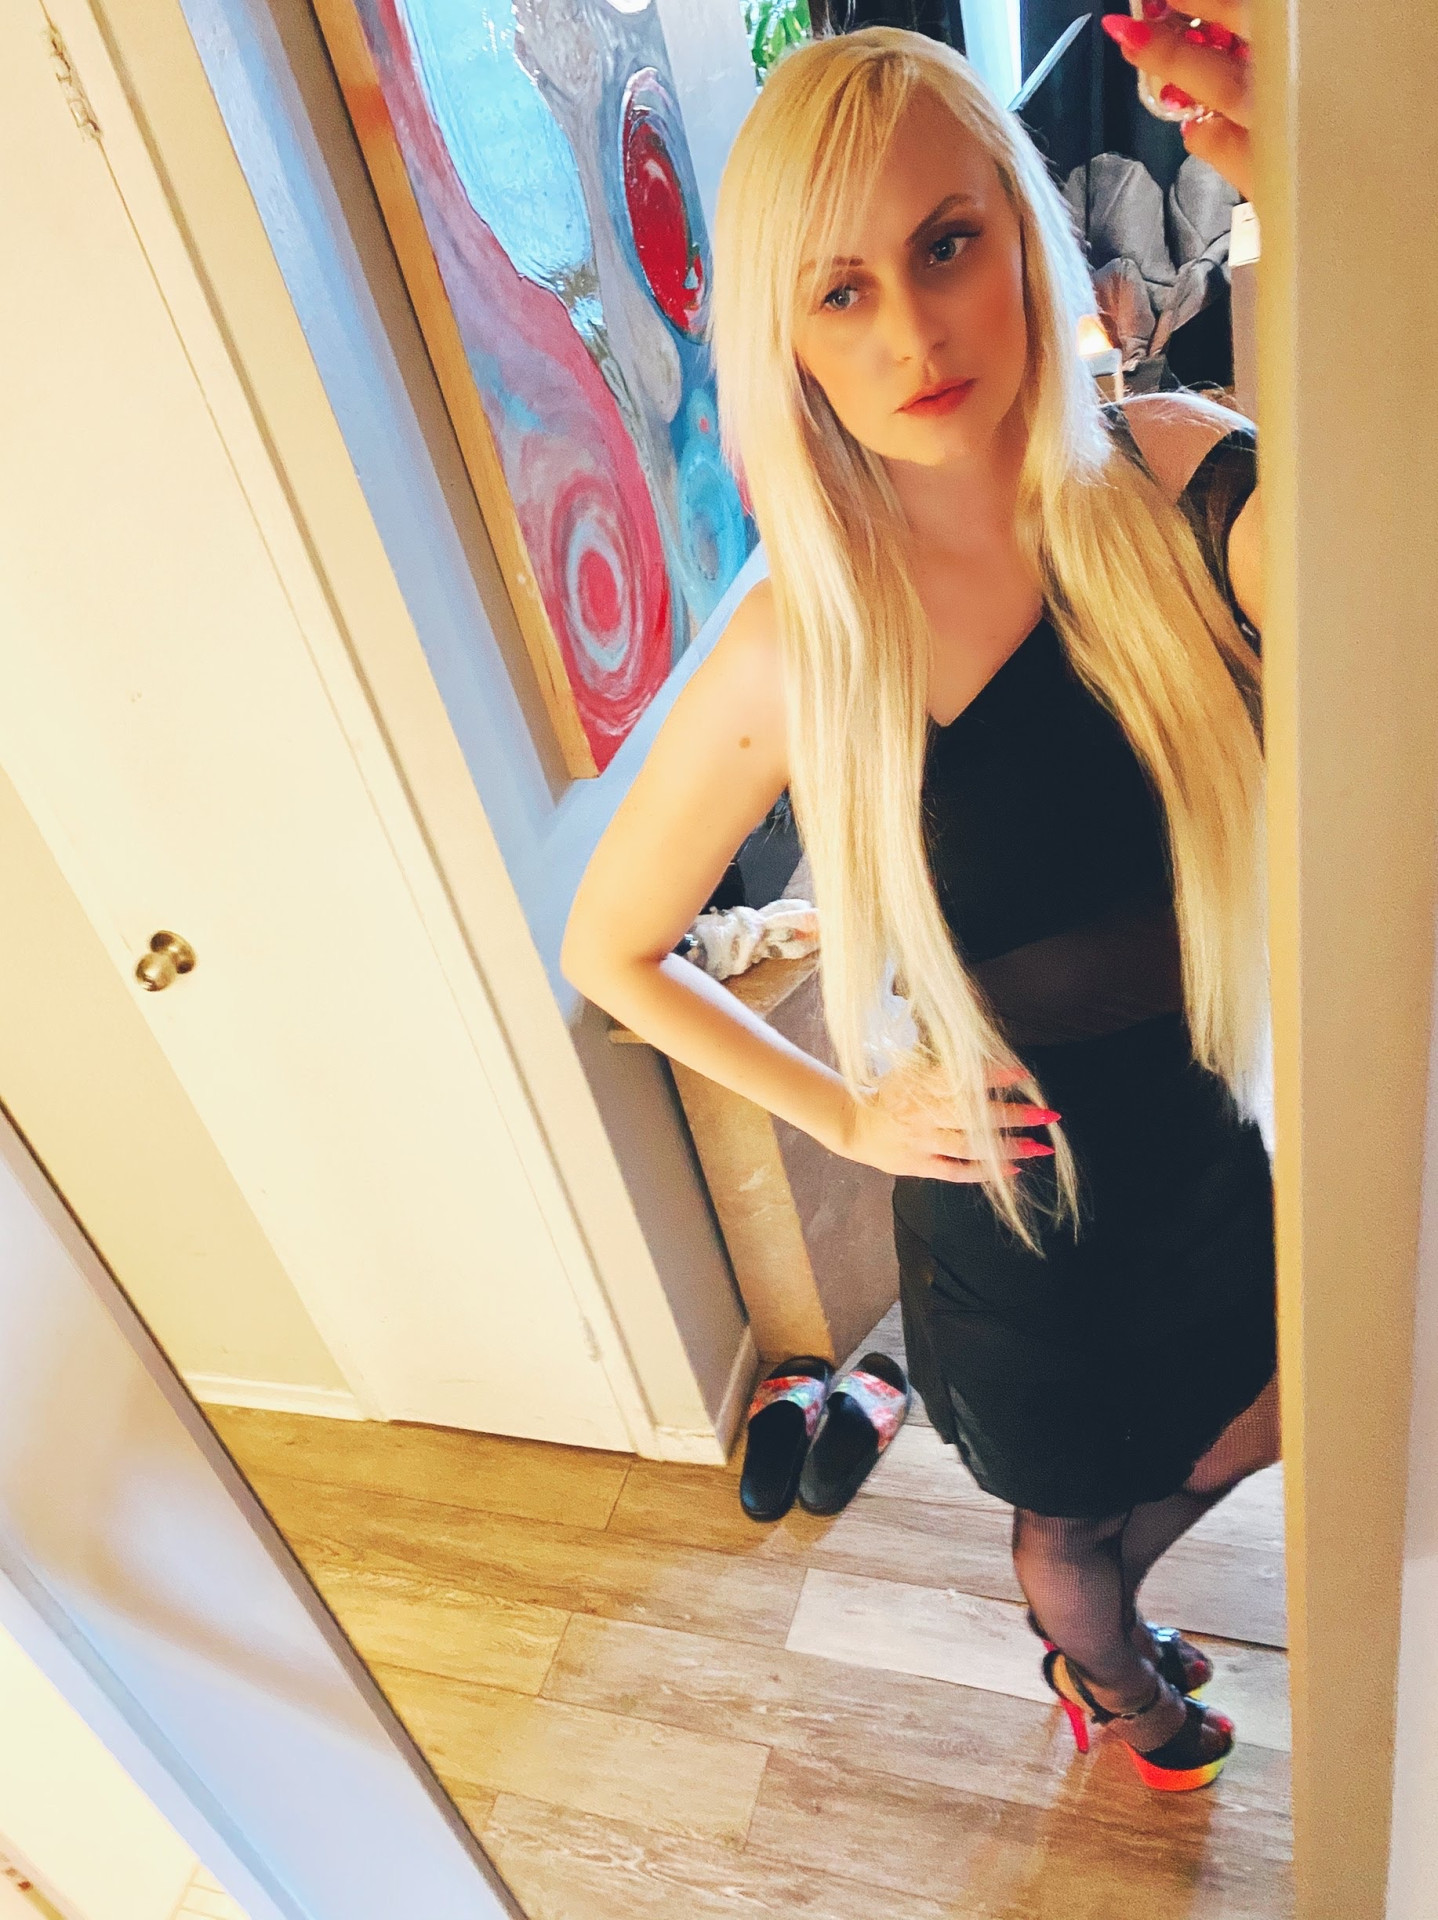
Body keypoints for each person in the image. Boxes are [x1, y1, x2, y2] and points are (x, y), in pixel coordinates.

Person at [563, 6, 1271, 1793]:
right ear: (785, 336)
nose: (911, 330)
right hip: (1012, 1213)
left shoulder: (1177, 479)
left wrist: (1316, 191)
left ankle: (1106, 1616)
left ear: (1016, 232)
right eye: (839, 290)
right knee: (1066, 1529)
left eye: (945, 244)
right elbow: (612, 952)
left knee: (1290, 1398)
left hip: (1197, 1136)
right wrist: (844, 1114)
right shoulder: (800, 646)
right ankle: (1120, 1688)